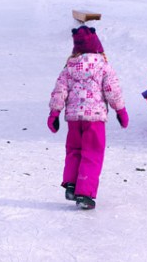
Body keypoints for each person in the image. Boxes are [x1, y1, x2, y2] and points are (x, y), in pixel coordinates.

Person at [47, 25, 128, 210]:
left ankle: (71, 184)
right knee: (92, 154)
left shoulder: (69, 67)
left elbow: (59, 91)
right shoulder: (103, 66)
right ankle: (84, 193)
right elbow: (112, 91)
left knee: (74, 150)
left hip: (74, 120)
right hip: (95, 120)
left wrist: (54, 113)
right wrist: (121, 111)